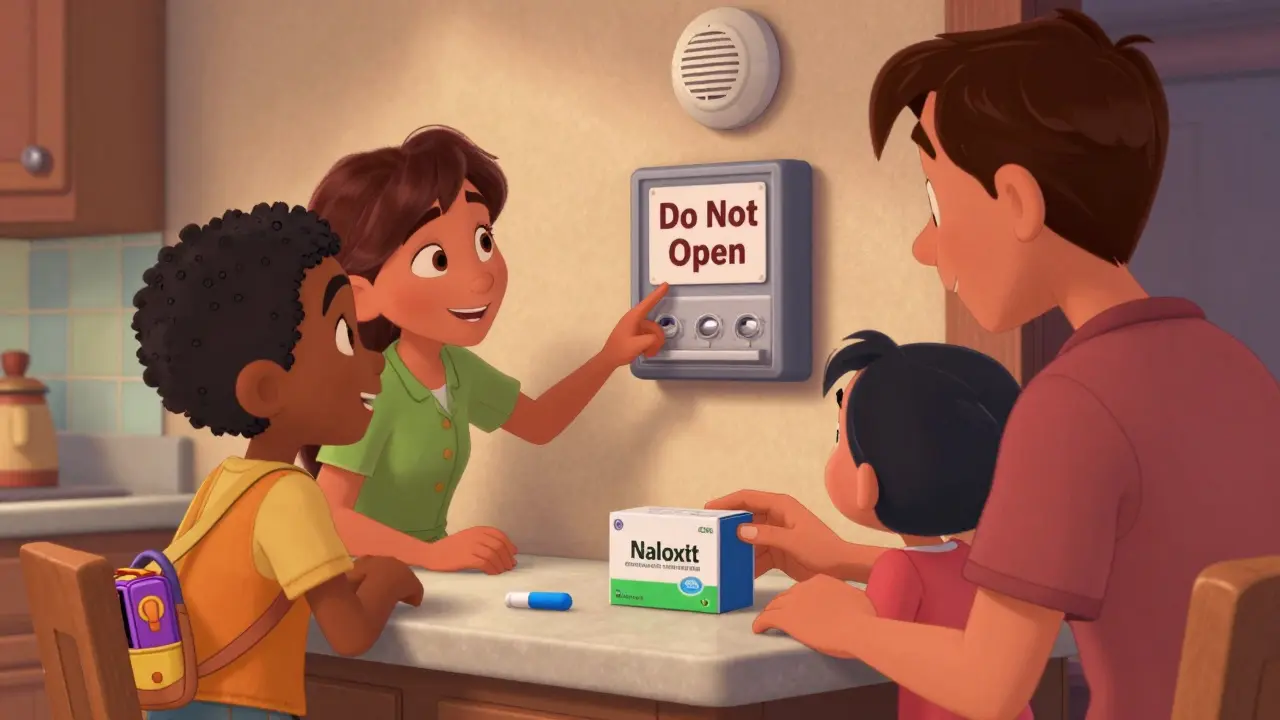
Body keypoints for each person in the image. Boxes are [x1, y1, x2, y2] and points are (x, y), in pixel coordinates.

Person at [710, 9, 1280, 720]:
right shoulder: (1232, 368)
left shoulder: (1074, 403)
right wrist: (847, 560)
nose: (925, 245)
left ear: (1016, 201)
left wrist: (851, 626)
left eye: (935, 200)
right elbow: (1086, 590)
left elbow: (991, 682)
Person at [300, 126, 667, 575]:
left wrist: (610, 355)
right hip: (363, 581)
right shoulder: (372, 389)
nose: (482, 275)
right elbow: (330, 518)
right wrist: (434, 555)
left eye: (483, 241)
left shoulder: (457, 370)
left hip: (429, 580)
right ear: (360, 295)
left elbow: (539, 423)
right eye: (436, 259)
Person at [135, 203, 425, 719]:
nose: (373, 358)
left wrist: (346, 577)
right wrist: (390, 578)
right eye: (344, 336)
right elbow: (350, 633)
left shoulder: (225, 481)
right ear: (268, 388)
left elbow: (253, 586)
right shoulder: (288, 492)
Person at [822, 330, 1029, 720]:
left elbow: (863, 644)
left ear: (868, 481)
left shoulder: (900, 569)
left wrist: (822, 606)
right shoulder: (974, 559)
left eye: (840, 437)